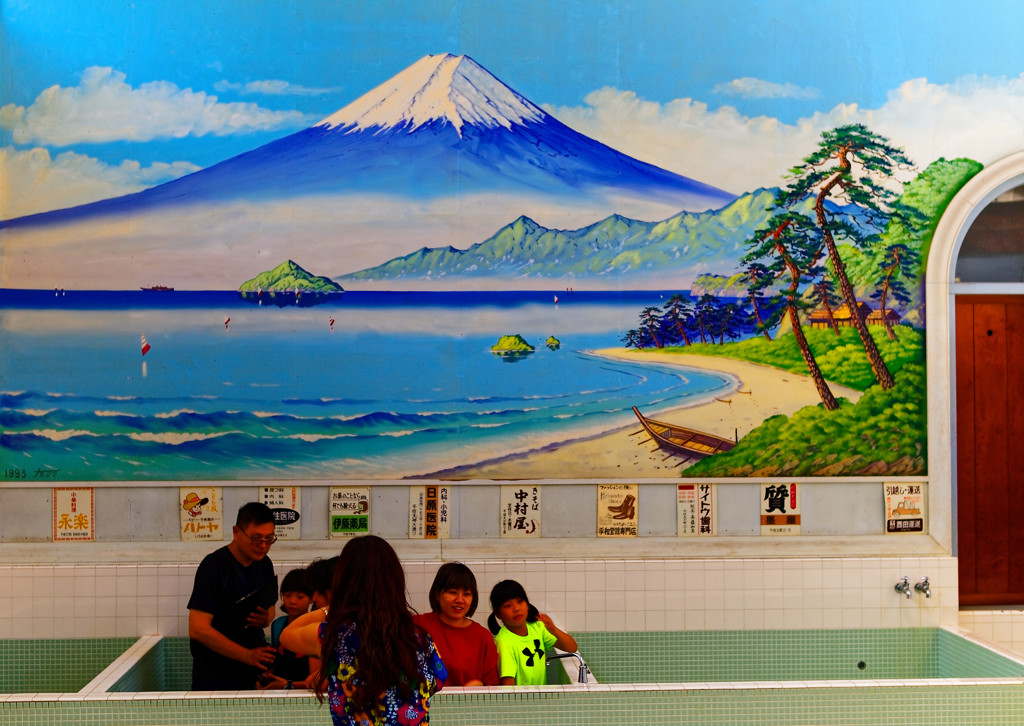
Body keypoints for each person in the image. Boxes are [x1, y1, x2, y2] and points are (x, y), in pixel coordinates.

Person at [281, 535, 446, 726]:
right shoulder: (418, 638)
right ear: (395, 581)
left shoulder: (335, 637)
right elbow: (439, 679)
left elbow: (288, 635)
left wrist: (332, 606)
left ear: (343, 583)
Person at [187, 501, 279, 690]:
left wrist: (266, 619)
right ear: (236, 532)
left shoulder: (264, 564)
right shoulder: (213, 567)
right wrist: (246, 655)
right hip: (215, 671)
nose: (263, 545)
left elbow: (270, 610)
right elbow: (198, 628)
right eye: (256, 538)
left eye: (269, 539)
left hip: (252, 666)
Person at [413, 562, 498, 686]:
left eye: (467, 594)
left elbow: (493, 687)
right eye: (452, 592)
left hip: (467, 705)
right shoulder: (418, 625)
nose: (460, 600)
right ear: (437, 594)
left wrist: (479, 687)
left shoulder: (483, 637)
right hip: (422, 704)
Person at [487, 579, 577, 686]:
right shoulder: (504, 642)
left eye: (520, 601)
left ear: (527, 604)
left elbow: (571, 648)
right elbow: (508, 685)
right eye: (508, 605)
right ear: (498, 614)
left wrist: (553, 629)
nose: (516, 609)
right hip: (521, 701)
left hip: (538, 698)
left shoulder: (536, 627)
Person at [260, 568, 316, 690]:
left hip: (305, 692)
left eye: (300, 597)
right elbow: (276, 660)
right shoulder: (278, 625)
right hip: (279, 689)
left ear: (312, 598)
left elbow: (317, 679)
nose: (292, 601)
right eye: (287, 595)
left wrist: (288, 685)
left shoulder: (315, 627)